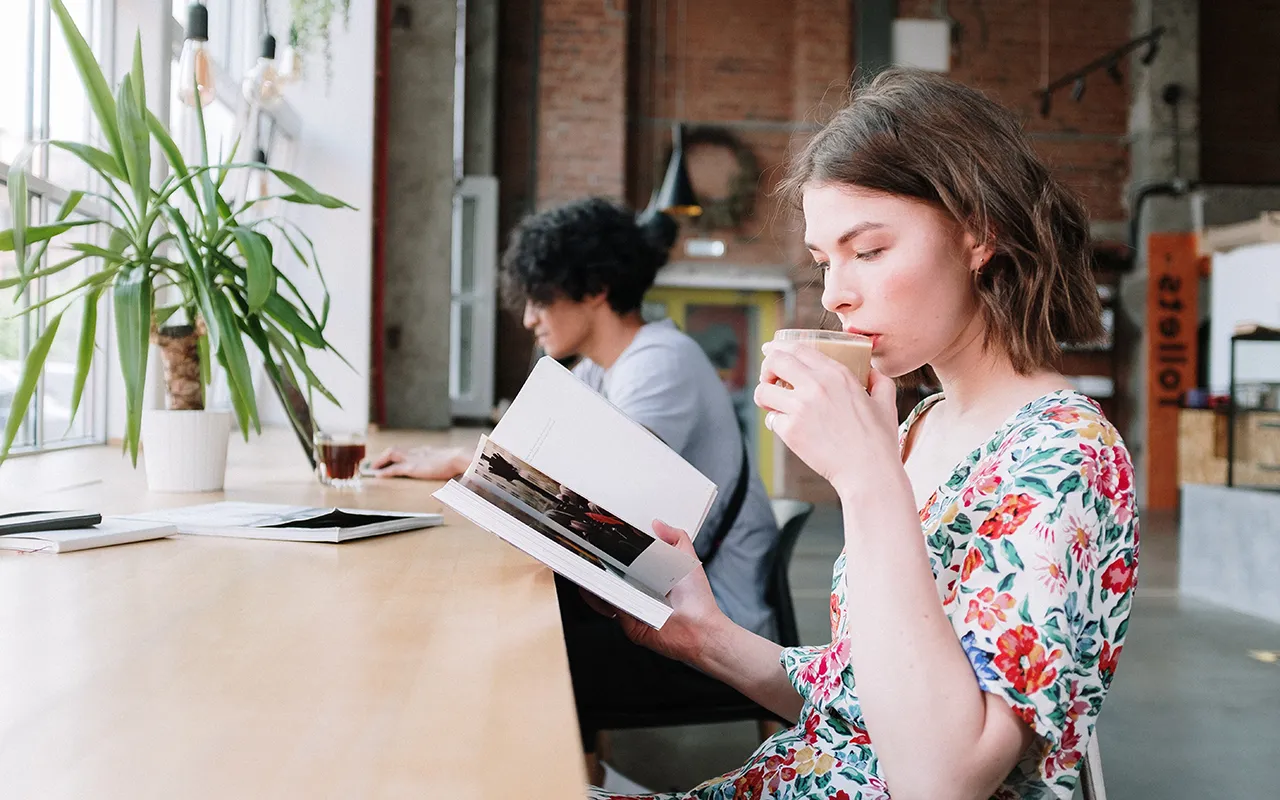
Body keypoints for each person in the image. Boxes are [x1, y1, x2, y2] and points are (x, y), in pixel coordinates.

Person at [587, 68, 1139, 800]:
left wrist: (867, 478)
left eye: (869, 251)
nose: (834, 294)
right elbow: (865, 708)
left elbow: (940, 781)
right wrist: (703, 634)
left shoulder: (1066, 454)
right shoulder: (921, 424)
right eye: (825, 262)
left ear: (979, 232)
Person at [372, 197, 783, 777]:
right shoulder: (600, 368)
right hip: (663, 600)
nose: (528, 318)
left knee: (522, 650)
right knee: (515, 623)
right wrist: (464, 462)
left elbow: (595, 494)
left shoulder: (660, 363)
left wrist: (466, 463)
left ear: (594, 288)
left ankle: (565, 780)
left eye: (540, 298)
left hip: (715, 622)